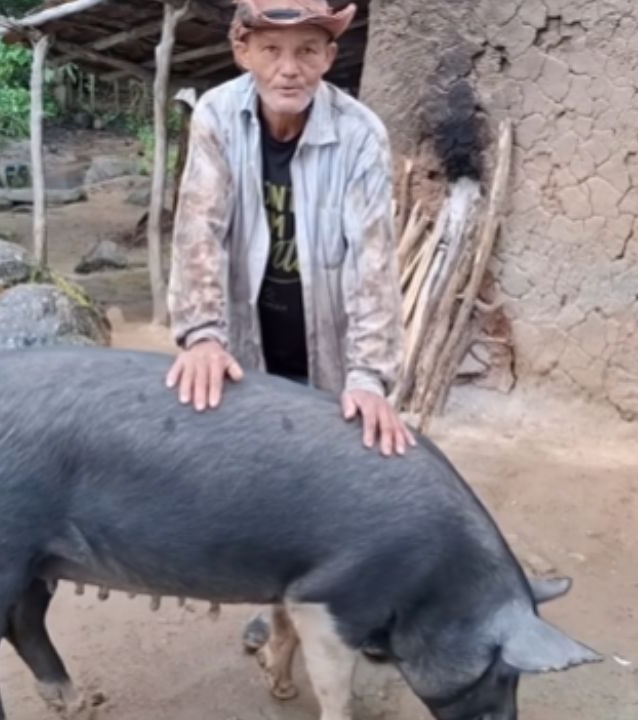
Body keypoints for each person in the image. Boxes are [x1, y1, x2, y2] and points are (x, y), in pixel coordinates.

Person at [163, 0, 411, 657]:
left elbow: (374, 261)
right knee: (262, 484)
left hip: (330, 334)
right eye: (271, 49)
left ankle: (357, 608)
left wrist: (370, 375)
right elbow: (199, 229)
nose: (289, 68)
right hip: (249, 335)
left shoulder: (360, 132)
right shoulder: (217, 114)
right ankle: (275, 607)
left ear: (330, 57)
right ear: (242, 49)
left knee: (350, 477)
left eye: (307, 50)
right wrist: (202, 333)